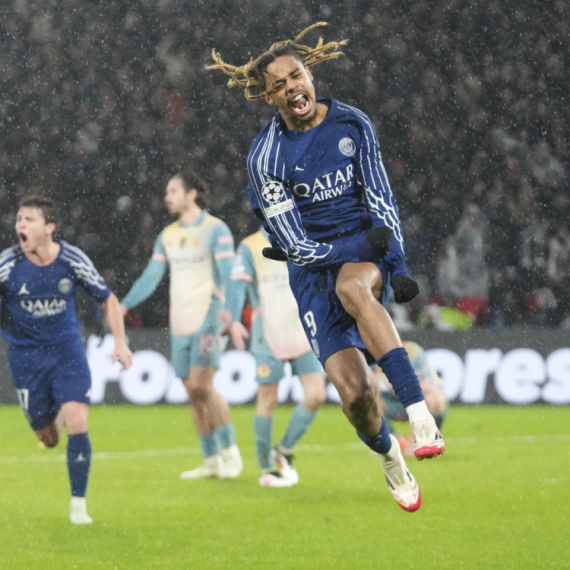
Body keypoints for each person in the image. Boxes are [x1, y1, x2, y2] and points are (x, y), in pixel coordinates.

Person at [208, 22, 444, 511]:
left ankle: (420, 415)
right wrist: (359, 241)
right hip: (314, 273)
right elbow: (295, 246)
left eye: (296, 75)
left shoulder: (352, 124)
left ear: (309, 73)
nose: (291, 87)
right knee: (355, 396)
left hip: (363, 258)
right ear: (268, 96)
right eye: (279, 84)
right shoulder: (265, 157)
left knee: (355, 289)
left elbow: (380, 197)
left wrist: (394, 263)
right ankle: (387, 456)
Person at [0, 195, 133, 525]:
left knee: (78, 422)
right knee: (48, 438)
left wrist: (120, 342)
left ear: (49, 228)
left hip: (66, 353)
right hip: (26, 359)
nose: (21, 225)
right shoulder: (7, 265)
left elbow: (108, 298)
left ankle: (78, 504)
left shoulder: (71, 259)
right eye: (19, 219)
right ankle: (54, 416)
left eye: (29, 219)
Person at [120, 171, 242, 480]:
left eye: (173, 190)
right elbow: (151, 277)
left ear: (191, 194)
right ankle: (211, 459)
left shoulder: (217, 230)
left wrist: (231, 311)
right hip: (180, 322)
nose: (167, 196)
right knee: (191, 391)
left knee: (202, 384)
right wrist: (124, 303)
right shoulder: (168, 235)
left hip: (210, 316)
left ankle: (230, 452)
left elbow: (230, 273)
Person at [224, 226, 326, 487]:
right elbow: (237, 284)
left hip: (304, 330)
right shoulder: (250, 245)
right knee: (268, 398)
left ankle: (283, 449)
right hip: (267, 333)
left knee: (317, 395)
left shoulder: (303, 237)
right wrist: (234, 320)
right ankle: (266, 468)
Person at [374, 341, 449, 456]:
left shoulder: (414, 352)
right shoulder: (375, 353)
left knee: (436, 400)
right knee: (369, 404)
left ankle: (425, 439)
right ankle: (391, 441)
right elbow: (369, 386)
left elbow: (427, 387)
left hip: (419, 399)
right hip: (395, 402)